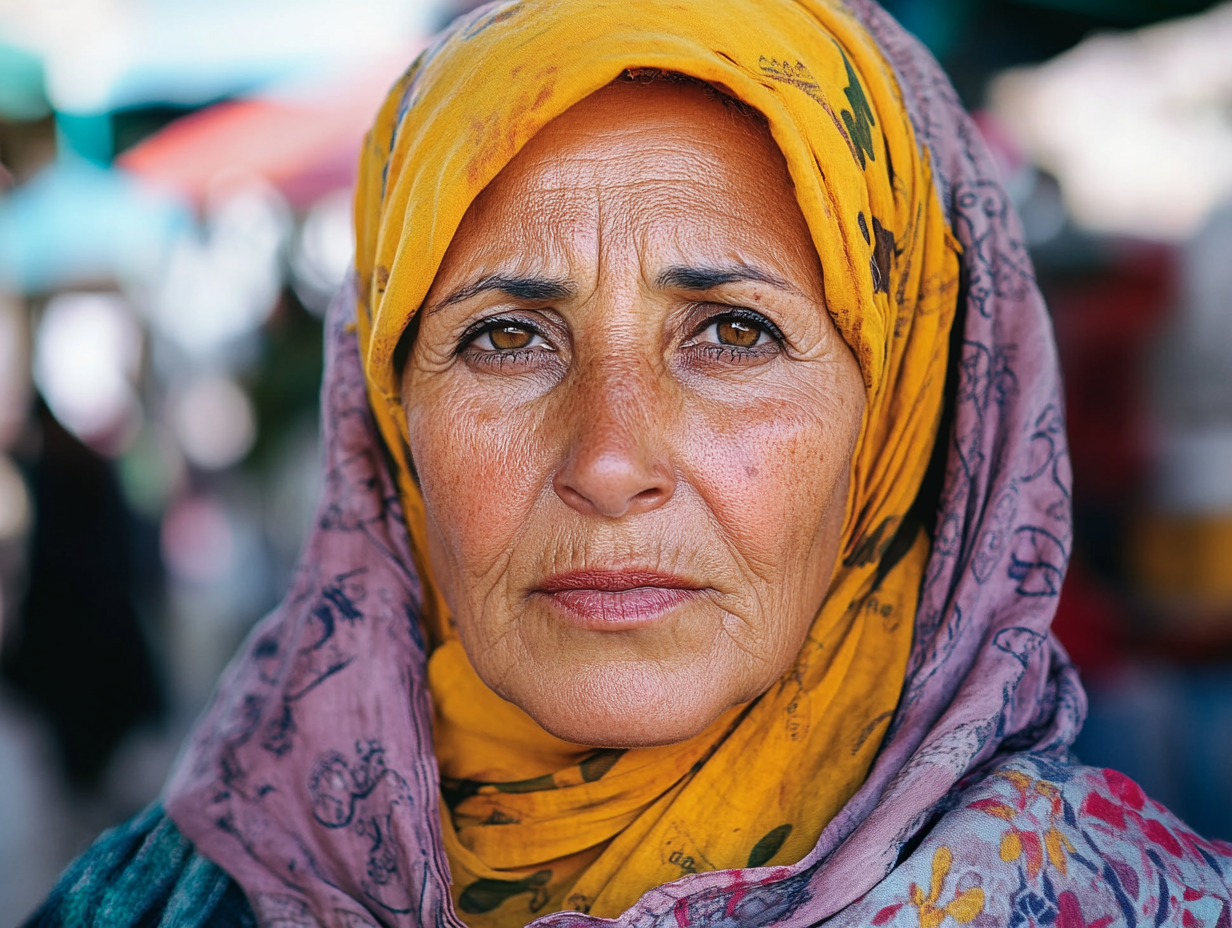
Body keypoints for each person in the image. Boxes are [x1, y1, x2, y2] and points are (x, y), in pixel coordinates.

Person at [27, 0, 1232, 926]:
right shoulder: (172, 894)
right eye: (504, 338)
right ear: (387, 421)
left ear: (908, 418)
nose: (607, 460)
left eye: (731, 332)